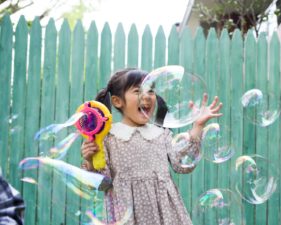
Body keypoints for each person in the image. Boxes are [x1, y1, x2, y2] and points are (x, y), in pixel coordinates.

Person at [81, 68, 222, 224]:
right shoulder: (108, 137)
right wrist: (90, 160)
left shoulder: (162, 134)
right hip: (127, 215)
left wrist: (197, 126)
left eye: (151, 91)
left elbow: (182, 165)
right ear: (117, 101)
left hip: (167, 215)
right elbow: (103, 183)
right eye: (137, 91)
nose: (147, 96)